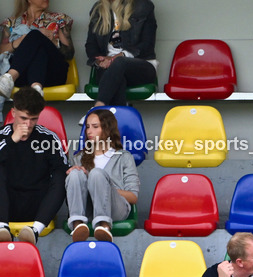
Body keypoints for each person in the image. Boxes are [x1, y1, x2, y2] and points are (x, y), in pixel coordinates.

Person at [0, 87, 68, 243]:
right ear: (13, 112)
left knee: (62, 174)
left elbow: (62, 169)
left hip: (37, 206)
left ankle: (34, 230)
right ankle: (2, 228)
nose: (28, 124)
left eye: (34, 119)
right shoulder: (2, 135)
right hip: (6, 205)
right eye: (24, 118)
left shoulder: (47, 138)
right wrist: (12, 140)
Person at [65, 108, 138, 242]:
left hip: (116, 209)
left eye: (95, 127)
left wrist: (104, 188)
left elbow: (133, 197)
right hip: (89, 210)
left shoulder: (124, 157)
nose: (89, 131)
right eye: (87, 127)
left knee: (97, 174)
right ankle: (78, 226)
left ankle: (104, 227)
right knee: (75, 173)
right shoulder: (78, 158)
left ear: (107, 129)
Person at [85, 0, 157, 107]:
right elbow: (90, 45)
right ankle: (117, 119)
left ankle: (99, 107)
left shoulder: (143, 6)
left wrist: (120, 56)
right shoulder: (98, 9)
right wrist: (99, 60)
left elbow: (147, 43)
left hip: (141, 66)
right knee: (117, 78)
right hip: (109, 68)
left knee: (118, 63)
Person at [0, 0, 73, 99]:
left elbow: (69, 54)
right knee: (38, 49)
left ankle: (9, 78)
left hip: (52, 75)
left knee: (35, 35)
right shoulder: (11, 23)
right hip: (23, 76)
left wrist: (53, 41)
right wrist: (19, 41)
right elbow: (1, 51)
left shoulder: (59, 19)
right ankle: (36, 89)